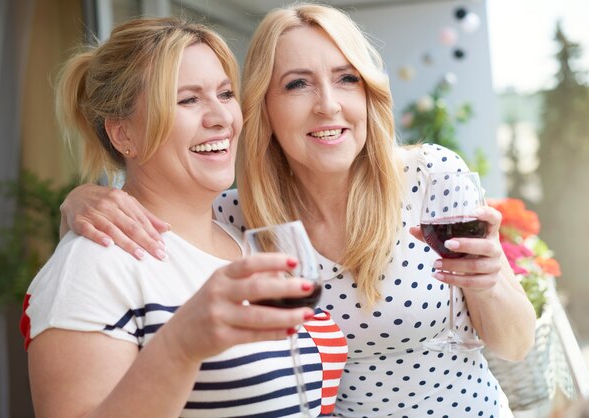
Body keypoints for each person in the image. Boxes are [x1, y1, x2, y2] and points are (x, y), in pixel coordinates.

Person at [59, 3, 537, 417]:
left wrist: (491, 281)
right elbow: (157, 210)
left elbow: (515, 346)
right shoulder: (236, 219)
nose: (328, 105)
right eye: (297, 85)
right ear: (263, 107)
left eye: (346, 79)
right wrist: (81, 201)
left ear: (367, 93)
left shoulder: (432, 177)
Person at [20, 16, 348, 418]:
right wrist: (179, 347)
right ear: (124, 135)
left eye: (225, 93)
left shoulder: (247, 231)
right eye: (188, 100)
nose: (220, 118)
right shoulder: (93, 265)